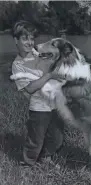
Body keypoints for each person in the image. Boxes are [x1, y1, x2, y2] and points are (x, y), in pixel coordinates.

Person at [11, 20, 64, 166]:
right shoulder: (18, 65)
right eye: (24, 38)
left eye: (31, 38)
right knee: (36, 140)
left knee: (57, 138)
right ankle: (27, 163)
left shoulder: (38, 53)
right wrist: (49, 76)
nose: (29, 42)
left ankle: (45, 157)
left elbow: (54, 61)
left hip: (54, 103)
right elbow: (29, 88)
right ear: (16, 40)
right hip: (39, 109)